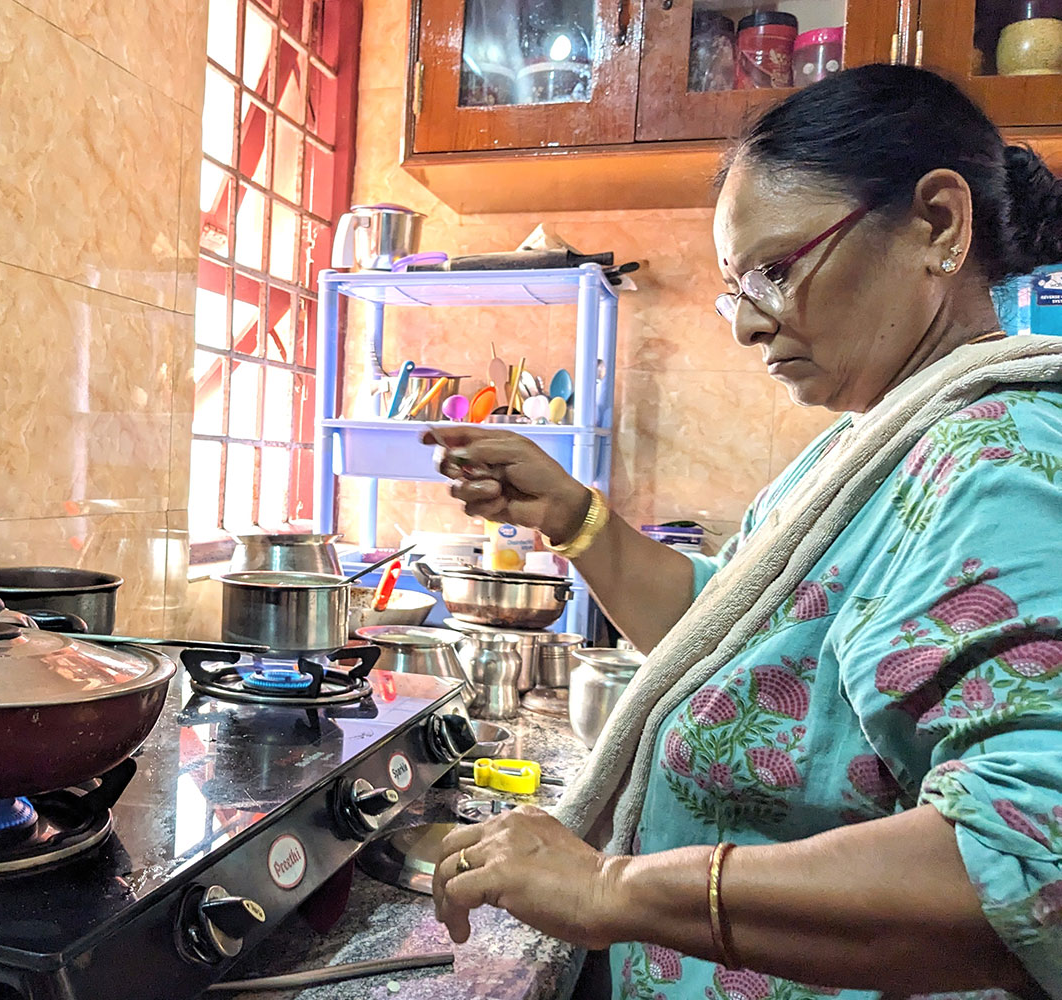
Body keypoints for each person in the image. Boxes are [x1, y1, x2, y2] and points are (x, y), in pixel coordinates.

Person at [422, 65, 1062, 1000]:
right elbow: (723, 636)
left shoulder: (994, 459)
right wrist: (574, 516)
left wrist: (613, 889)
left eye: (775, 270)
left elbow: (1026, 866)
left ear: (938, 226)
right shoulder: (870, 446)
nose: (747, 326)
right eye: (737, 289)